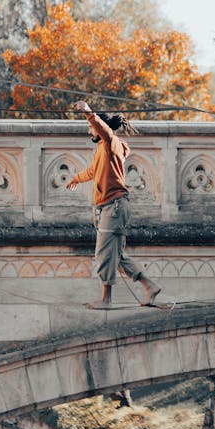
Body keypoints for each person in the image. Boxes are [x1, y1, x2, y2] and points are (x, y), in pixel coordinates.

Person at [66, 100, 161, 310]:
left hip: (114, 206)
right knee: (116, 255)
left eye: (92, 127)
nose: (90, 129)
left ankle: (106, 300)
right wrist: (75, 179)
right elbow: (92, 171)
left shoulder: (111, 143)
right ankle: (150, 286)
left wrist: (90, 113)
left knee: (103, 253)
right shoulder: (103, 149)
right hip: (111, 207)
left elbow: (105, 132)